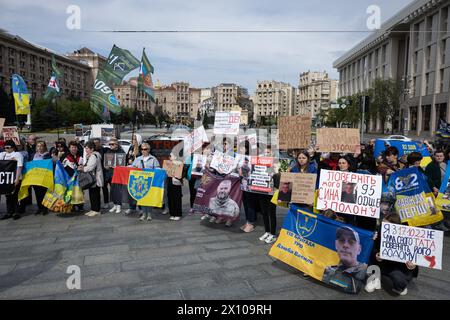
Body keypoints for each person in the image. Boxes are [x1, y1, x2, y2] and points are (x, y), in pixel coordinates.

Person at [366, 213, 418, 295]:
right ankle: (374, 278)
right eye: (383, 224)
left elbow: (414, 259)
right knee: (370, 259)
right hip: (380, 264)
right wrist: (372, 243)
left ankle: (401, 285)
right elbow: (371, 250)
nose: (384, 227)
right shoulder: (378, 233)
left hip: (397, 268)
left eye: (387, 225)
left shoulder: (406, 238)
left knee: (399, 280)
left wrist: (412, 266)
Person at [322, 226, 367, 294]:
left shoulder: (363, 270)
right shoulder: (328, 269)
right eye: (341, 240)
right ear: (336, 245)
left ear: (359, 249)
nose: (345, 245)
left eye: (351, 242)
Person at [130, 142, 160, 220]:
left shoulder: (153, 159)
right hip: (140, 182)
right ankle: (143, 214)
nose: (143, 151)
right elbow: (132, 167)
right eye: (142, 149)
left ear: (149, 150)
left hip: (150, 182)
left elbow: (157, 169)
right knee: (142, 199)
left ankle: (149, 214)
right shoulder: (138, 159)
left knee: (149, 199)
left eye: (145, 149)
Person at [77, 141, 103, 217]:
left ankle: (96, 210)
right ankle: (93, 209)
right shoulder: (92, 155)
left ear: (92, 149)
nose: (86, 150)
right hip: (93, 178)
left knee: (95, 194)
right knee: (92, 194)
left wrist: (82, 168)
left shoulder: (93, 156)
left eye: (87, 148)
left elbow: (90, 167)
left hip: (95, 179)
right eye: (85, 148)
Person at [0, 140, 24, 220]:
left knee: (15, 195)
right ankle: (9, 212)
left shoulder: (17, 154)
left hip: (15, 178)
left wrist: (17, 179)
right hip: (5, 178)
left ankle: (17, 212)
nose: (6, 149)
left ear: (13, 147)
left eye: (8, 147)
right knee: (7, 195)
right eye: (5, 147)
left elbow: (19, 166)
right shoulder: (2, 154)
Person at [104, 138, 125, 213]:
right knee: (112, 190)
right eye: (110, 144)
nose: (111, 146)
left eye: (112, 144)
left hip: (118, 174)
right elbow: (106, 164)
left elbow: (123, 164)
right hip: (110, 174)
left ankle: (119, 205)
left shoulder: (121, 152)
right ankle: (115, 205)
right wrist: (106, 166)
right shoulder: (108, 151)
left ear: (116, 144)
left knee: (118, 190)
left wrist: (117, 167)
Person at [63, 140, 84, 212]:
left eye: (75, 147)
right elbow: (65, 168)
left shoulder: (80, 157)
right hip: (71, 178)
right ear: (69, 148)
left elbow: (83, 165)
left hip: (79, 178)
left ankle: (80, 206)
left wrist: (81, 167)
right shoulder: (66, 157)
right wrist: (75, 171)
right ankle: (72, 206)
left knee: (80, 192)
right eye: (72, 147)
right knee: (72, 192)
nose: (74, 149)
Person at [32, 141, 52, 215]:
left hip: (44, 177)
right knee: (37, 194)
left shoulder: (47, 155)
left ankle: (45, 208)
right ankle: (39, 208)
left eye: (41, 146)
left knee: (44, 193)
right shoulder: (33, 155)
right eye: (38, 146)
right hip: (35, 178)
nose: (39, 147)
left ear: (44, 147)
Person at [166, 152, 183, 221]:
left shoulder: (179, 163)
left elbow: (181, 174)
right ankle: (172, 213)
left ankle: (178, 214)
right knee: (170, 197)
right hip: (170, 183)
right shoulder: (168, 164)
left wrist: (178, 174)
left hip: (177, 183)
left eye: (171, 156)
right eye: (169, 156)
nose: (170, 157)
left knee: (177, 198)